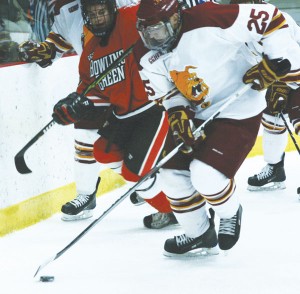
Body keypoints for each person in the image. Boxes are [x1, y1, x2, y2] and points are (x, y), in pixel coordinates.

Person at [133, 0, 300, 256]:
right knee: (171, 175)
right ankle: (199, 233)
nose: (152, 37)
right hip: (197, 113)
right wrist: (177, 110)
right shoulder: (144, 52)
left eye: (157, 29)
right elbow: (166, 93)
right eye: (146, 31)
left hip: (239, 106)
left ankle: (230, 213)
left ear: (175, 18)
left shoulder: (210, 17)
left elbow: (271, 18)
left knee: (206, 175)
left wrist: (274, 64)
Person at [16, 0, 203, 229]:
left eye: (101, 11)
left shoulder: (128, 12)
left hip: (151, 99)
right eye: (92, 14)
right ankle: (149, 196)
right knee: (101, 150)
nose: (98, 17)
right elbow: (61, 46)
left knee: (139, 170)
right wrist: (74, 104)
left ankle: (185, 211)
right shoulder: (78, 33)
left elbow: (161, 15)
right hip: (112, 98)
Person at [229, 0, 300, 191]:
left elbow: (293, 58)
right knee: (272, 120)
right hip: (278, 77)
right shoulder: (240, 21)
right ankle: (275, 168)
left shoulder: (272, 18)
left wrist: (281, 85)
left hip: (296, 75)